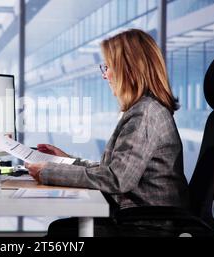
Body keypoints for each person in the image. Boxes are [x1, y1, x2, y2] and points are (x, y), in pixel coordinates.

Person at [26, 29, 190, 237]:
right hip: (141, 217)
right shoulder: (145, 109)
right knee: (60, 230)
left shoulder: (145, 114)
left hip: (147, 225)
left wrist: (48, 171)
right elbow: (114, 169)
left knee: (61, 233)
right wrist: (66, 161)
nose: (105, 75)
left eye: (108, 67)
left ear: (128, 70)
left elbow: (117, 179)